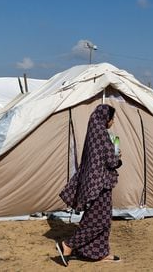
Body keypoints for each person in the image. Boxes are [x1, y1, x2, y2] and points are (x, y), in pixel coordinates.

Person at [57, 104, 122, 266]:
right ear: (105, 118)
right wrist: (118, 156)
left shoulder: (94, 132)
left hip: (96, 183)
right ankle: (68, 245)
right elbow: (111, 161)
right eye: (111, 118)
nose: (112, 122)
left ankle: (98, 252)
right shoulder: (101, 134)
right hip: (100, 184)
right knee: (100, 220)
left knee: (100, 218)